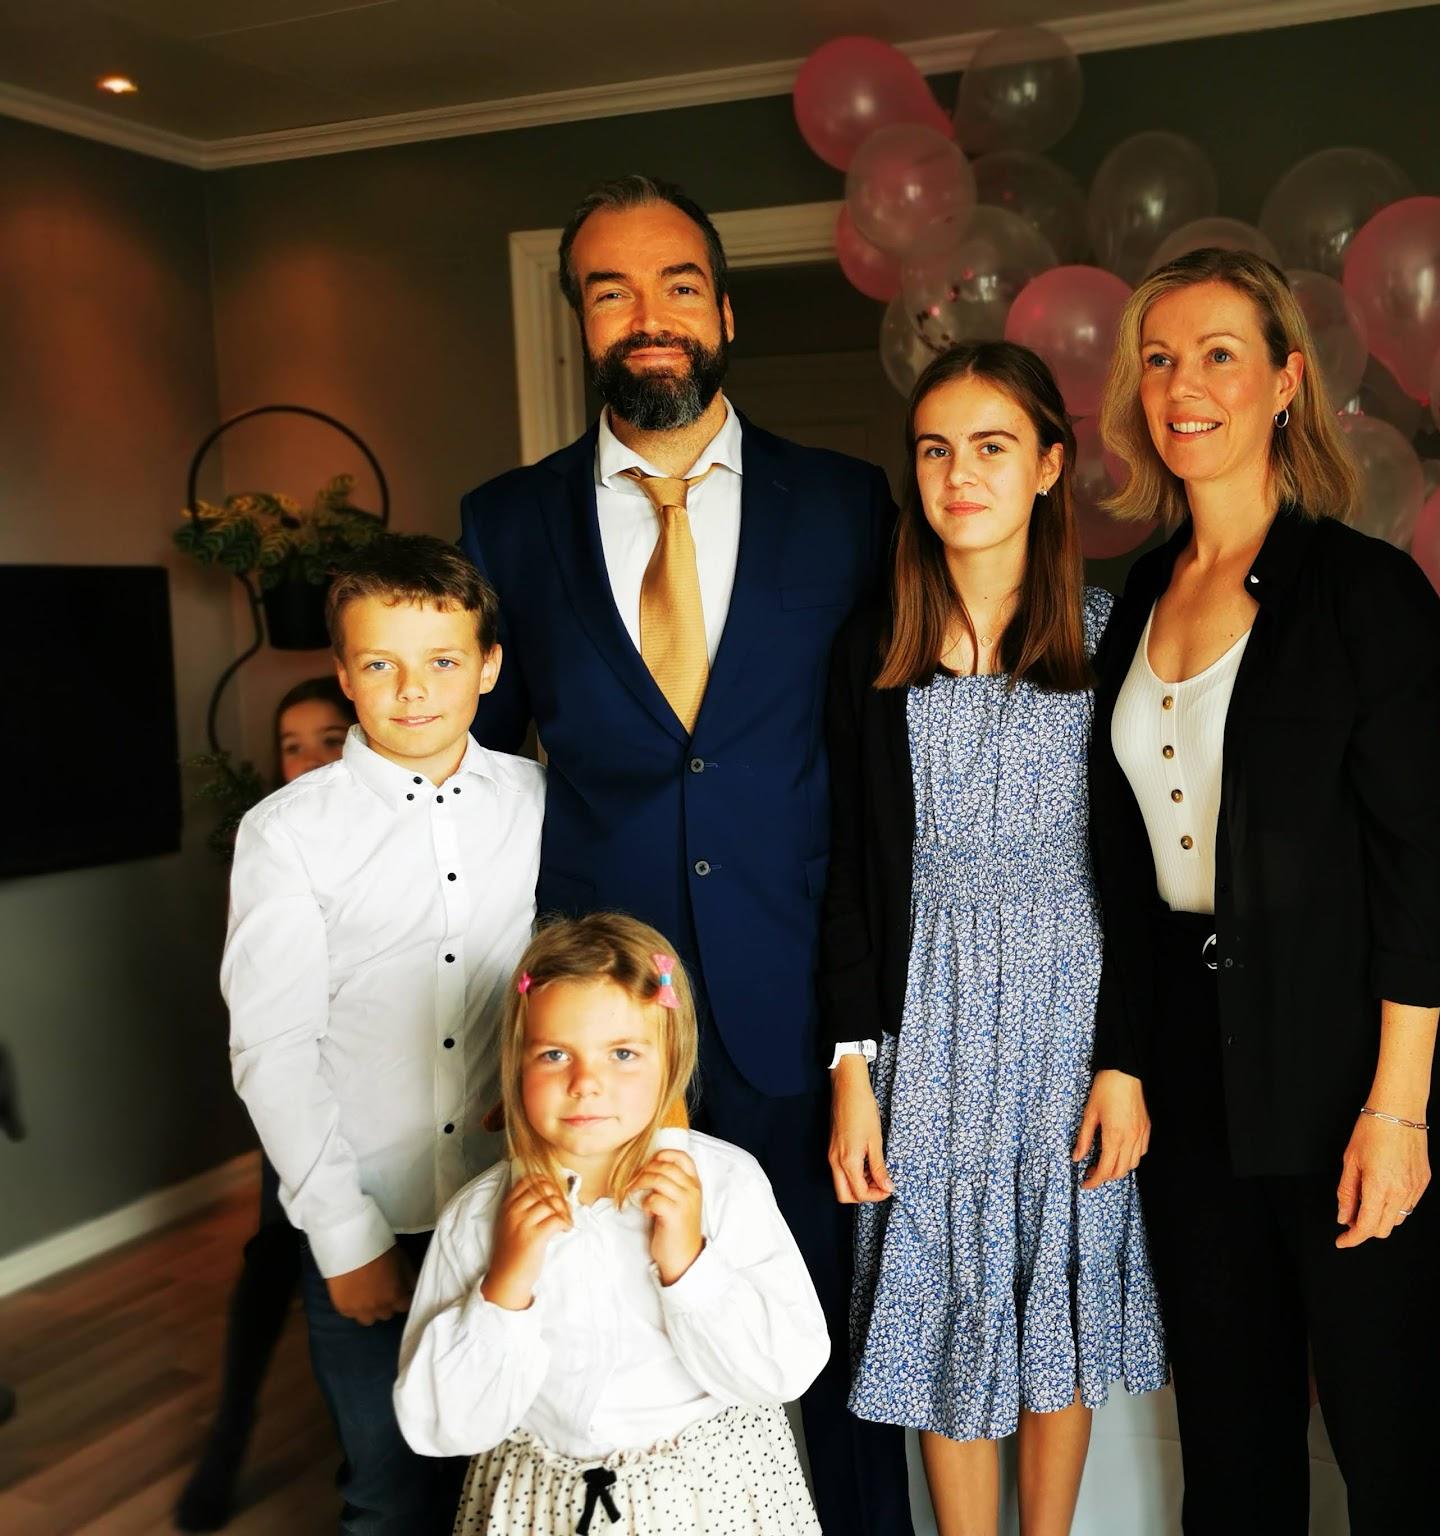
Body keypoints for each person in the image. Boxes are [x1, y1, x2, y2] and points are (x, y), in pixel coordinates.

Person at [459, 175, 909, 1535]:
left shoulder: (844, 506)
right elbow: (480, 787)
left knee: (826, 1347)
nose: (647, 314)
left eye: (675, 285)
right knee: (605, 1343)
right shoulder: (506, 522)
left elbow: (882, 778)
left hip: (799, 1015)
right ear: (580, 321)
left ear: (723, 308)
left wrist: (866, 1029)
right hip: (600, 1040)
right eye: (611, 291)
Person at [1087, 248, 1440, 1533]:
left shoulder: (1362, 592)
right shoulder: (1134, 597)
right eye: (1158, 360)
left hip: (1349, 1065)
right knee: (1231, 1449)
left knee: (1393, 1448)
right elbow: (1123, 873)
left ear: (1283, 382)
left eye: (1217, 356)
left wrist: (1397, 1111)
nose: (1181, 386)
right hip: (1190, 1071)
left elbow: (1414, 874)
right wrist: (1123, 1057)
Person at [820, 342, 1166, 1535]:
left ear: (1048, 466)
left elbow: (1142, 882)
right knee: (948, 1303)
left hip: (1070, 1012)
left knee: (1053, 1290)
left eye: (989, 446)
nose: (958, 475)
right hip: (925, 1021)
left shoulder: (1112, 638)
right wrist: (851, 1066)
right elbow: (847, 874)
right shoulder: (873, 650)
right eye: (933, 450)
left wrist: (1125, 1061)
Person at [222, 535, 547, 1534]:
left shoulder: (540, 803)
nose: (412, 691)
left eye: (442, 660)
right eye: (379, 663)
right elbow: (272, 1050)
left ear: (488, 666)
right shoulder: (287, 832)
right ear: (343, 672)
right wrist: (344, 1236)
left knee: (514, 1481)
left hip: (512, 1205)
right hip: (368, 1211)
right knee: (387, 1489)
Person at [395, 912, 828, 1536]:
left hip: (714, 1499)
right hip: (541, 1506)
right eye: (554, 1054)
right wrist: (506, 1286)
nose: (586, 1084)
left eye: (622, 1054)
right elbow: (440, 1426)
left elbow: (784, 1371)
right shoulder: (476, 1217)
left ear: (669, 1059)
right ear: (517, 1064)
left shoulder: (725, 1185)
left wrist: (689, 1263)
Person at [178, 676, 358, 1531]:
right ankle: (229, 1436)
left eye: (330, 739)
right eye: (292, 745)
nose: (310, 759)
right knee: (275, 1254)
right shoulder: (273, 842)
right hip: (298, 1097)